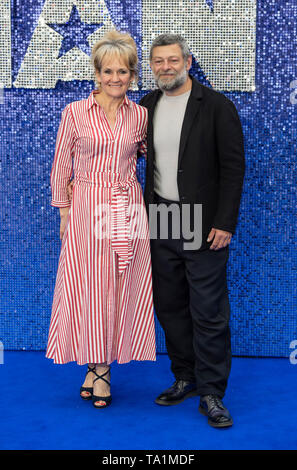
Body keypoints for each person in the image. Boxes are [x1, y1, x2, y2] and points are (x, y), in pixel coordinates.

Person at [139, 34, 245, 428]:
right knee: (170, 306)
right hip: (162, 217)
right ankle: (185, 376)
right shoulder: (147, 105)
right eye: (158, 62)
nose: (165, 67)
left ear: (187, 60)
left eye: (172, 60)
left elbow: (234, 170)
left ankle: (212, 392)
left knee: (208, 310)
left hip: (203, 221)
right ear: (151, 66)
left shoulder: (216, 106)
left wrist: (224, 222)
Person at [46, 30, 156, 409]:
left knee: (121, 289)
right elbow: (62, 165)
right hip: (86, 206)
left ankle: (100, 370)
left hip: (127, 207)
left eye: (123, 72)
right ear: (96, 73)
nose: (115, 78)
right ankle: (98, 369)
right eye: (108, 71)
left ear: (132, 75)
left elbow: (149, 157)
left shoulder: (141, 114)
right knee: (89, 288)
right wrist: (63, 210)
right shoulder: (74, 112)